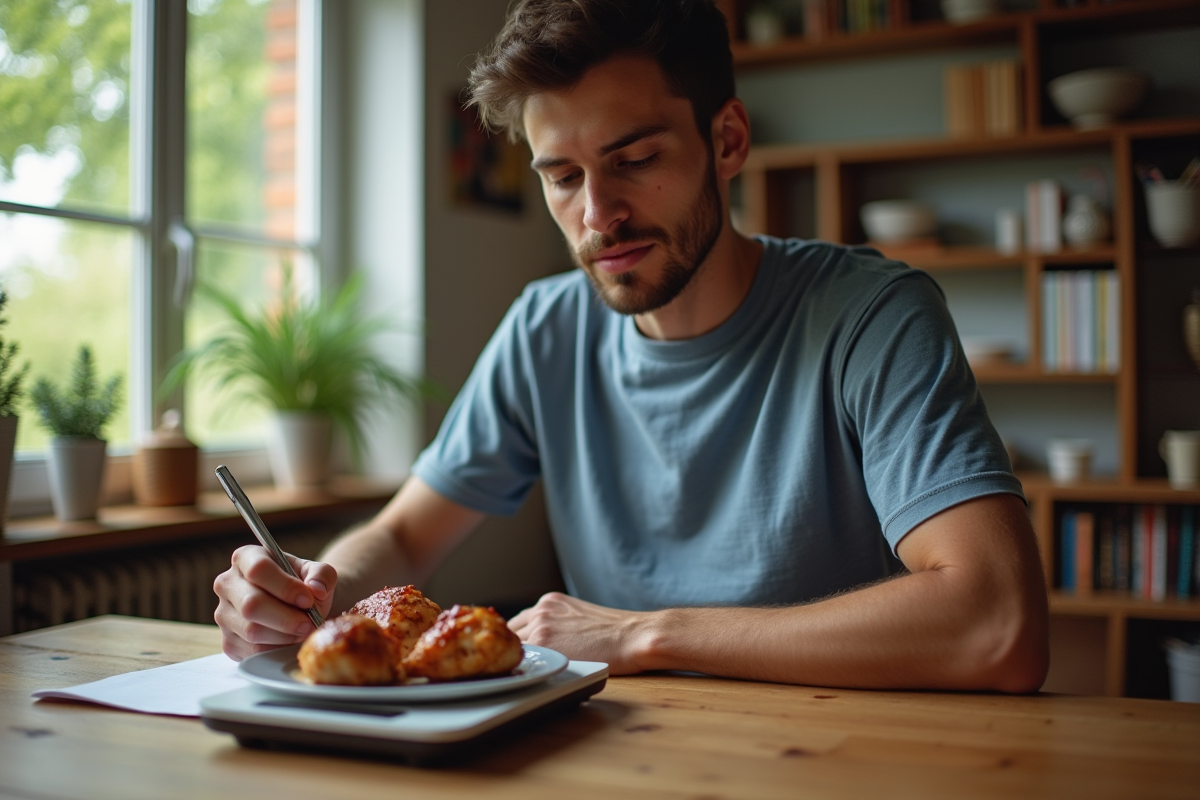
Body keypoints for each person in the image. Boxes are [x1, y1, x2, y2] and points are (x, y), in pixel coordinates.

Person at [215, 0, 1050, 692]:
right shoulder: (545, 328)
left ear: (727, 141)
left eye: (635, 158)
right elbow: (402, 537)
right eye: (562, 177)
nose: (597, 216)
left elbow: (998, 623)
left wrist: (644, 634)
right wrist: (313, 590)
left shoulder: (873, 316)